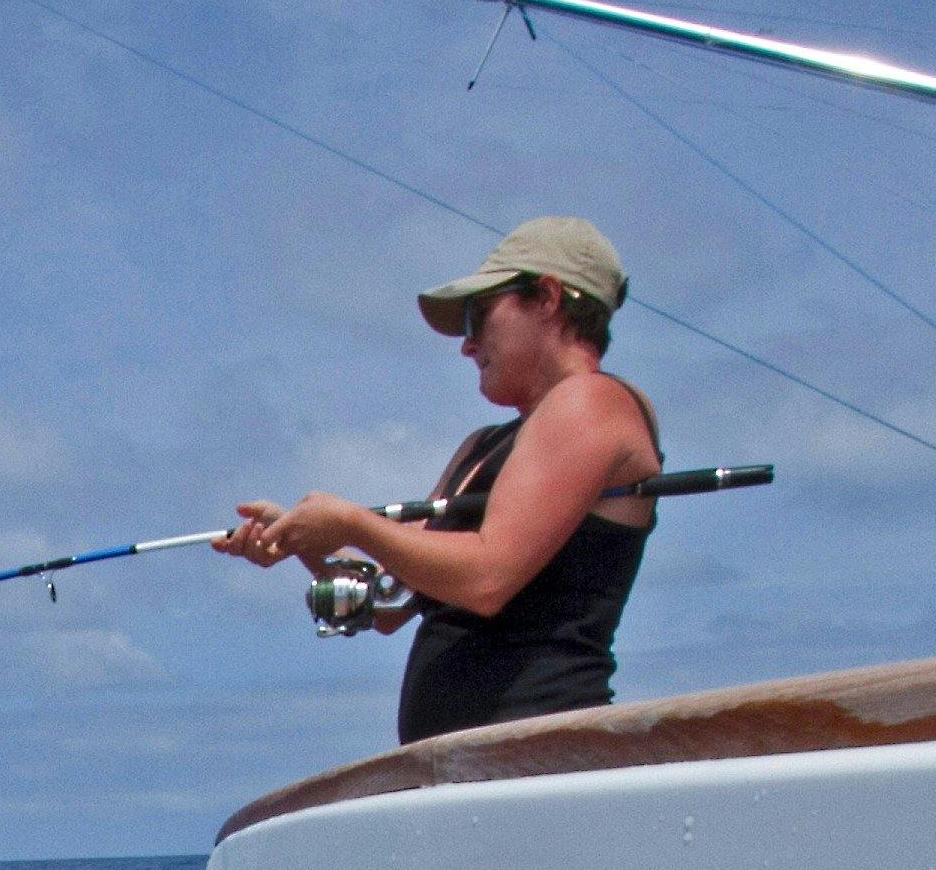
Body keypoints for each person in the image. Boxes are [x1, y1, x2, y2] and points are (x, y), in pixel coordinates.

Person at [218, 216, 662, 743]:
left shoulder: (590, 402)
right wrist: (301, 540)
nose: (467, 347)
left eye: (477, 318)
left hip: (541, 752)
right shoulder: (481, 445)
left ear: (545, 299)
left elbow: (487, 579)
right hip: (458, 765)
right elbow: (390, 604)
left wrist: (351, 522)